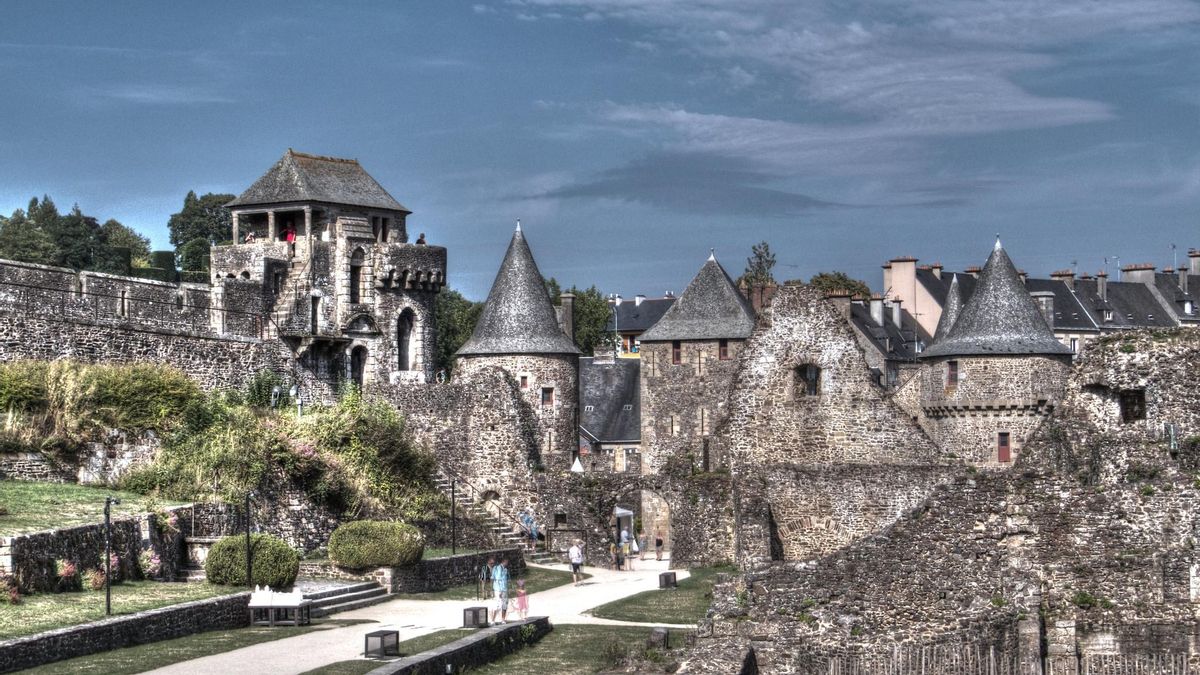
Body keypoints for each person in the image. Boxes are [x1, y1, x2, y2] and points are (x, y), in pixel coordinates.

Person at [491, 558, 510, 624]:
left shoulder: (504, 569)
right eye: (507, 562)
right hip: (500, 590)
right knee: (499, 604)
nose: (507, 563)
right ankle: (495, 620)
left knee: (503, 604)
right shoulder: (499, 569)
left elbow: (493, 578)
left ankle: (500, 619)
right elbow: (498, 580)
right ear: (504, 561)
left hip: (501, 589)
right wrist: (500, 591)